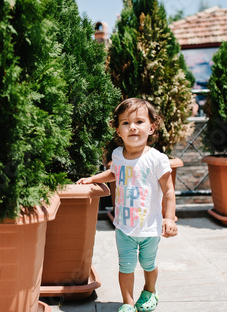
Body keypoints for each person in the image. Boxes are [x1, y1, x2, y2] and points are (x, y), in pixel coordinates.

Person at [77, 98, 178, 312]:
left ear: (151, 128)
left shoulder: (157, 159)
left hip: (150, 228)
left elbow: (168, 191)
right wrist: (93, 179)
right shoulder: (117, 155)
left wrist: (169, 218)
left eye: (139, 121)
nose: (132, 127)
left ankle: (150, 290)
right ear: (118, 130)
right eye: (125, 123)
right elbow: (114, 173)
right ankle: (128, 303)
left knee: (148, 264)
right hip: (124, 227)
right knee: (126, 266)